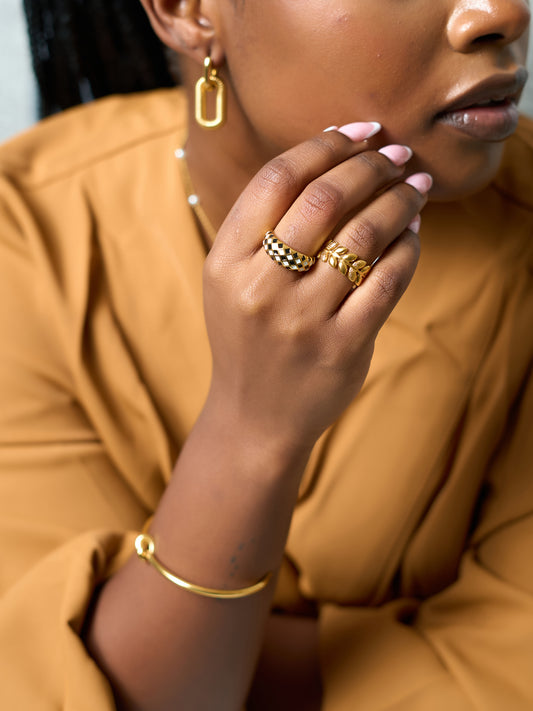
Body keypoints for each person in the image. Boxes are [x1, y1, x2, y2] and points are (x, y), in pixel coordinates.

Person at [1, 0, 532, 709]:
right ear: (189, 11)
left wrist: (188, 645)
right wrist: (251, 428)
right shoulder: (26, 241)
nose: (499, 12)